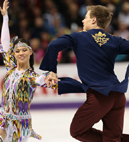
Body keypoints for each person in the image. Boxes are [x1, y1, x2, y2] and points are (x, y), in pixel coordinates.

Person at [40, 5, 129, 142]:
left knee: (77, 130)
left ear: (93, 20)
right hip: (118, 95)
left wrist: (52, 71)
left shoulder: (78, 37)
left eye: (85, 17)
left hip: (100, 95)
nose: (82, 21)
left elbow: (53, 45)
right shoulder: (115, 40)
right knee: (112, 138)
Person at [0, 0, 59, 142]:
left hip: (20, 123)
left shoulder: (31, 76)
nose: (20, 53)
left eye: (24, 50)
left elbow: (41, 80)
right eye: (17, 50)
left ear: (30, 52)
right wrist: (5, 18)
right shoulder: (10, 68)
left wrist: (49, 77)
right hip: (3, 117)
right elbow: (6, 43)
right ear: (13, 54)